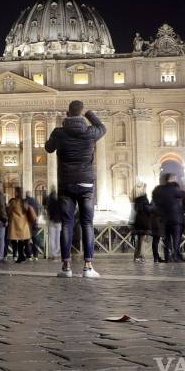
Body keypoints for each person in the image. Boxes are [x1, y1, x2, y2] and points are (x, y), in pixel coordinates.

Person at [45, 100, 106, 278]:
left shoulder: (59, 133)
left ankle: (66, 267)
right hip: (86, 183)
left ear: (67, 113)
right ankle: (88, 266)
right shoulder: (90, 132)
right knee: (87, 223)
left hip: (66, 183)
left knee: (67, 224)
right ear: (81, 112)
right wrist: (89, 114)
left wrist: (57, 136)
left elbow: (48, 148)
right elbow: (102, 127)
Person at [153, 173, 185, 262]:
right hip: (176, 218)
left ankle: (167, 257)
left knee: (167, 239)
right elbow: (184, 194)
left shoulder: (160, 190)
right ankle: (175, 256)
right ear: (171, 178)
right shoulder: (175, 190)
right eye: (175, 178)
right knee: (176, 238)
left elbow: (156, 202)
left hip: (165, 219)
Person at [7, 190, 33, 263]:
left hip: (15, 223)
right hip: (24, 223)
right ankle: (23, 256)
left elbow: (8, 212)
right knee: (22, 240)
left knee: (15, 241)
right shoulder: (25, 202)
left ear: (17, 193)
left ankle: (19, 256)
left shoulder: (13, 202)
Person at [131, 188, 153, 263]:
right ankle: (141, 256)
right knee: (142, 241)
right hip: (144, 224)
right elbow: (150, 211)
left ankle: (136, 256)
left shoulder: (137, 204)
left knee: (139, 241)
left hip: (138, 224)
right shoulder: (145, 203)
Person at [44, 189, 62, 261]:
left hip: (52, 221)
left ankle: (53, 254)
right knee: (58, 238)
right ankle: (56, 253)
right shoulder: (60, 202)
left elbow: (47, 212)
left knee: (52, 239)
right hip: (58, 222)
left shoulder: (49, 203)